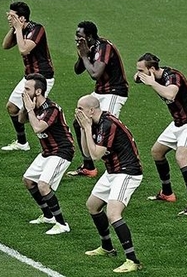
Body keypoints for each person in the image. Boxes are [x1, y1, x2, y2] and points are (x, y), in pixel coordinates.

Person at [75, 94, 144, 273]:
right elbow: (87, 153)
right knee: (92, 205)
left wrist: (88, 128)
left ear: (91, 110)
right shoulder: (94, 123)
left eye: (80, 109)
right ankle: (107, 247)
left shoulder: (108, 124)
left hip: (127, 172)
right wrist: (84, 129)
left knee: (114, 214)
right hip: (113, 171)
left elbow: (97, 155)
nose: (77, 112)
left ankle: (132, 260)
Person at [135, 53, 187, 216]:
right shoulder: (152, 75)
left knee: (181, 157)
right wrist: (140, 76)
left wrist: (151, 82)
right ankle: (167, 193)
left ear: (151, 69)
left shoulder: (173, 76)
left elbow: (170, 94)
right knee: (157, 152)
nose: (138, 73)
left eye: (141, 70)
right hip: (177, 122)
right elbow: (136, 79)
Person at [68, 21, 129, 179]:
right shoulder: (91, 47)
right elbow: (78, 70)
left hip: (114, 92)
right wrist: (82, 54)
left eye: (80, 36)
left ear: (89, 36)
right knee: (79, 121)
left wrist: (84, 55)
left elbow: (95, 73)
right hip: (101, 92)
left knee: (107, 127)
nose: (77, 39)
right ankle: (88, 166)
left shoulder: (104, 47)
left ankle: (120, 166)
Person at [20, 73, 74, 235]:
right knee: (29, 180)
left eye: (27, 88)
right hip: (47, 151)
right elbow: (21, 120)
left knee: (43, 185)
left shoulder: (52, 109)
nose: (24, 91)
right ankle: (48, 215)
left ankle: (62, 224)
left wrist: (30, 109)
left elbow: (37, 128)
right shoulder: (33, 106)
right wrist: (26, 107)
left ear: (38, 91)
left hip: (62, 151)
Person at [0, 1, 56, 152]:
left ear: (22, 18)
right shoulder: (19, 29)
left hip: (43, 78)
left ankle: (55, 145)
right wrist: (14, 28)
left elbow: (24, 49)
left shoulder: (37, 29)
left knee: (36, 113)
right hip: (30, 77)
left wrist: (18, 28)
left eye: (12, 16)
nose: (8, 17)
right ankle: (22, 143)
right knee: (12, 108)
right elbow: (5, 45)